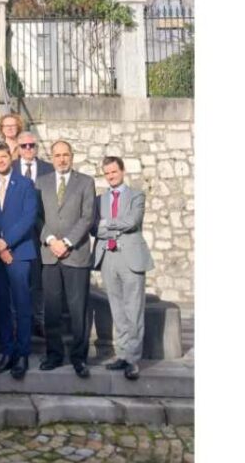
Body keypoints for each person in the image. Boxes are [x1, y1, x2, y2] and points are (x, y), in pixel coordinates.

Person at [0, 143, 38, 379]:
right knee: (1, 305)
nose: (0, 161)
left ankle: (23, 353)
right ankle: (7, 351)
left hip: (19, 252)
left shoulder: (25, 184)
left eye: (4, 156)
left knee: (22, 304)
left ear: (10, 158)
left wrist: (7, 243)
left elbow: (28, 217)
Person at [37, 140, 95, 378]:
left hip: (76, 254)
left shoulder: (86, 182)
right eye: (57, 155)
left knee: (77, 309)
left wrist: (67, 242)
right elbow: (37, 217)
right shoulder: (41, 183)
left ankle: (79, 358)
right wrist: (51, 240)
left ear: (72, 156)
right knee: (51, 309)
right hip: (50, 254)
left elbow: (87, 217)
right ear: (51, 158)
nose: (62, 159)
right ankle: (54, 354)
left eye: (65, 155)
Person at [92, 156, 154, 381]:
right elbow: (94, 229)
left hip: (131, 258)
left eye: (114, 172)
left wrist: (107, 224)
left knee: (133, 309)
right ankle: (122, 354)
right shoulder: (99, 200)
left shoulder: (136, 195)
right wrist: (108, 227)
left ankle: (133, 360)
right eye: (107, 173)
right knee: (117, 309)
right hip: (108, 257)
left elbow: (133, 221)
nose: (110, 176)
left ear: (122, 171)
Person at [12, 131, 54, 337]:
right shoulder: (10, 169)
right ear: (17, 148)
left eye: (31, 145)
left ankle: (40, 319)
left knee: (39, 278)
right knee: (18, 278)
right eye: (24, 146)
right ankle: (19, 320)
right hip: (17, 231)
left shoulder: (48, 169)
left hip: (42, 230)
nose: (28, 149)